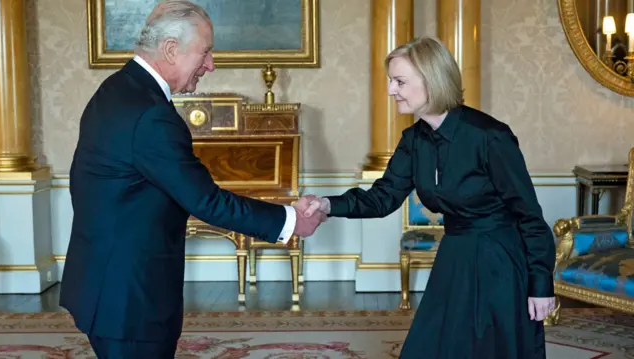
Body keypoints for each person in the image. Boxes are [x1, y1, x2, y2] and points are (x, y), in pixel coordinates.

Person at [59, 1, 324, 358]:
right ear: (170, 49)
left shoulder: (117, 89)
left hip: (106, 284)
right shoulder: (150, 114)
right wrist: (292, 221)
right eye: (206, 51)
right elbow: (206, 201)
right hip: (129, 300)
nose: (211, 64)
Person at [302, 37, 556, 359]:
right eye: (391, 81)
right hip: (454, 256)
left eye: (400, 82)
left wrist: (541, 284)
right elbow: (383, 197)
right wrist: (328, 204)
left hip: (500, 261)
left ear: (432, 81)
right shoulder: (413, 139)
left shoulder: (490, 136)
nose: (391, 90)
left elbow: (529, 215)